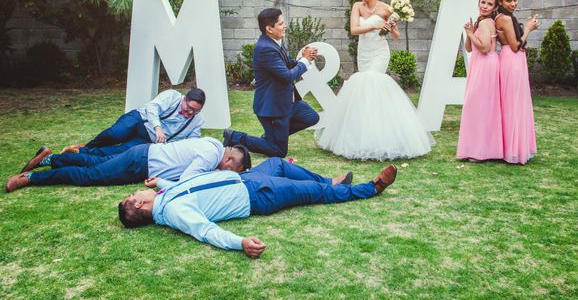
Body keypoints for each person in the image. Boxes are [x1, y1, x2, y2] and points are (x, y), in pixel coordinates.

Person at [118, 158, 398, 258]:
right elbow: (206, 231)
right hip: (257, 195)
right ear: (140, 203)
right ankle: (369, 188)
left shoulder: (164, 196)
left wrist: (162, 181)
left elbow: (188, 185)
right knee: (314, 193)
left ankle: (330, 180)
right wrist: (240, 243)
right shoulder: (174, 213)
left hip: (244, 178)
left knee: (277, 162)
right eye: (135, 194)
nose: (138, 191)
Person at [316, 0, 434, 160]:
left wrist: (392, 26)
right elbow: (354, 29)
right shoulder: (357, 6)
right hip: (364, 52)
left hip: (380, 52)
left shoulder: (387, 8)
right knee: (363, 89)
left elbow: (395, 36)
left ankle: (386, 137)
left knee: (374, 83)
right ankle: (362, 136)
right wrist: (375, 26)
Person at [223, 8, 320, 157]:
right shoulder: (265, 49)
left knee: (312, 117)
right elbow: (287, 76)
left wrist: (306, 59)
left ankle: (271, 138)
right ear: (269, 29)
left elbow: (286, 64)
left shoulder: (275, 42)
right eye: (281, 24)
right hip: (273, 107)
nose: (285, 26)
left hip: (289, 102)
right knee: (279, 151)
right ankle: (234, 137)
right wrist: (305, 61)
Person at [5, 137, 250, 192]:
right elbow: (188, 180)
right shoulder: (210, 156)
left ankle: (48, 159)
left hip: (143, 154)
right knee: (88, 175)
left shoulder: (214, 144)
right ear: (230, 160)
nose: (227, 172)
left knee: (93, 160)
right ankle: (30, 179)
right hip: (141, 163)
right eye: (233, 169)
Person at [59, 88, 207, 157]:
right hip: (139, 120)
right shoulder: (172, 96)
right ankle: (88, 145)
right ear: (184, 99)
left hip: (149, 140)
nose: (190, 113)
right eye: (189, 108)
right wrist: (158, 128)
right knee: (115, 134)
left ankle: (82, 152)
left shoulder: (197, 120)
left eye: (195, 111)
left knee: (122, 151)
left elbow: (192, 141)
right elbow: (152, 107)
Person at [456, 0, 503, 161]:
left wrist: (470, 33)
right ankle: (481, 149)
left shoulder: (486, 23)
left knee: (479, 107)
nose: (485, 6)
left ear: (494, 7)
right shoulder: (480, 22)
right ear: (479, 3)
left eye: (490, 4)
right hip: (479, 64)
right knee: (478, 107)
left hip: (485, 65)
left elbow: (483, 47)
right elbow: (469, 48)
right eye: (483, 2)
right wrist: (470, 31)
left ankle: (481, 151)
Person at [495, 0, 539, 164]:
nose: (513, 3)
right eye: (509, 0)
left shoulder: (507, 17)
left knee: (517, 103)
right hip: (511, 60)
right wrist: (528, 28)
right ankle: (512, 150)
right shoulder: (504, 18)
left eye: (515, 0)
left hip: (515, 61)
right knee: (513, 105)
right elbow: (515, 46)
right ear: (500, 1)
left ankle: (516, 147)